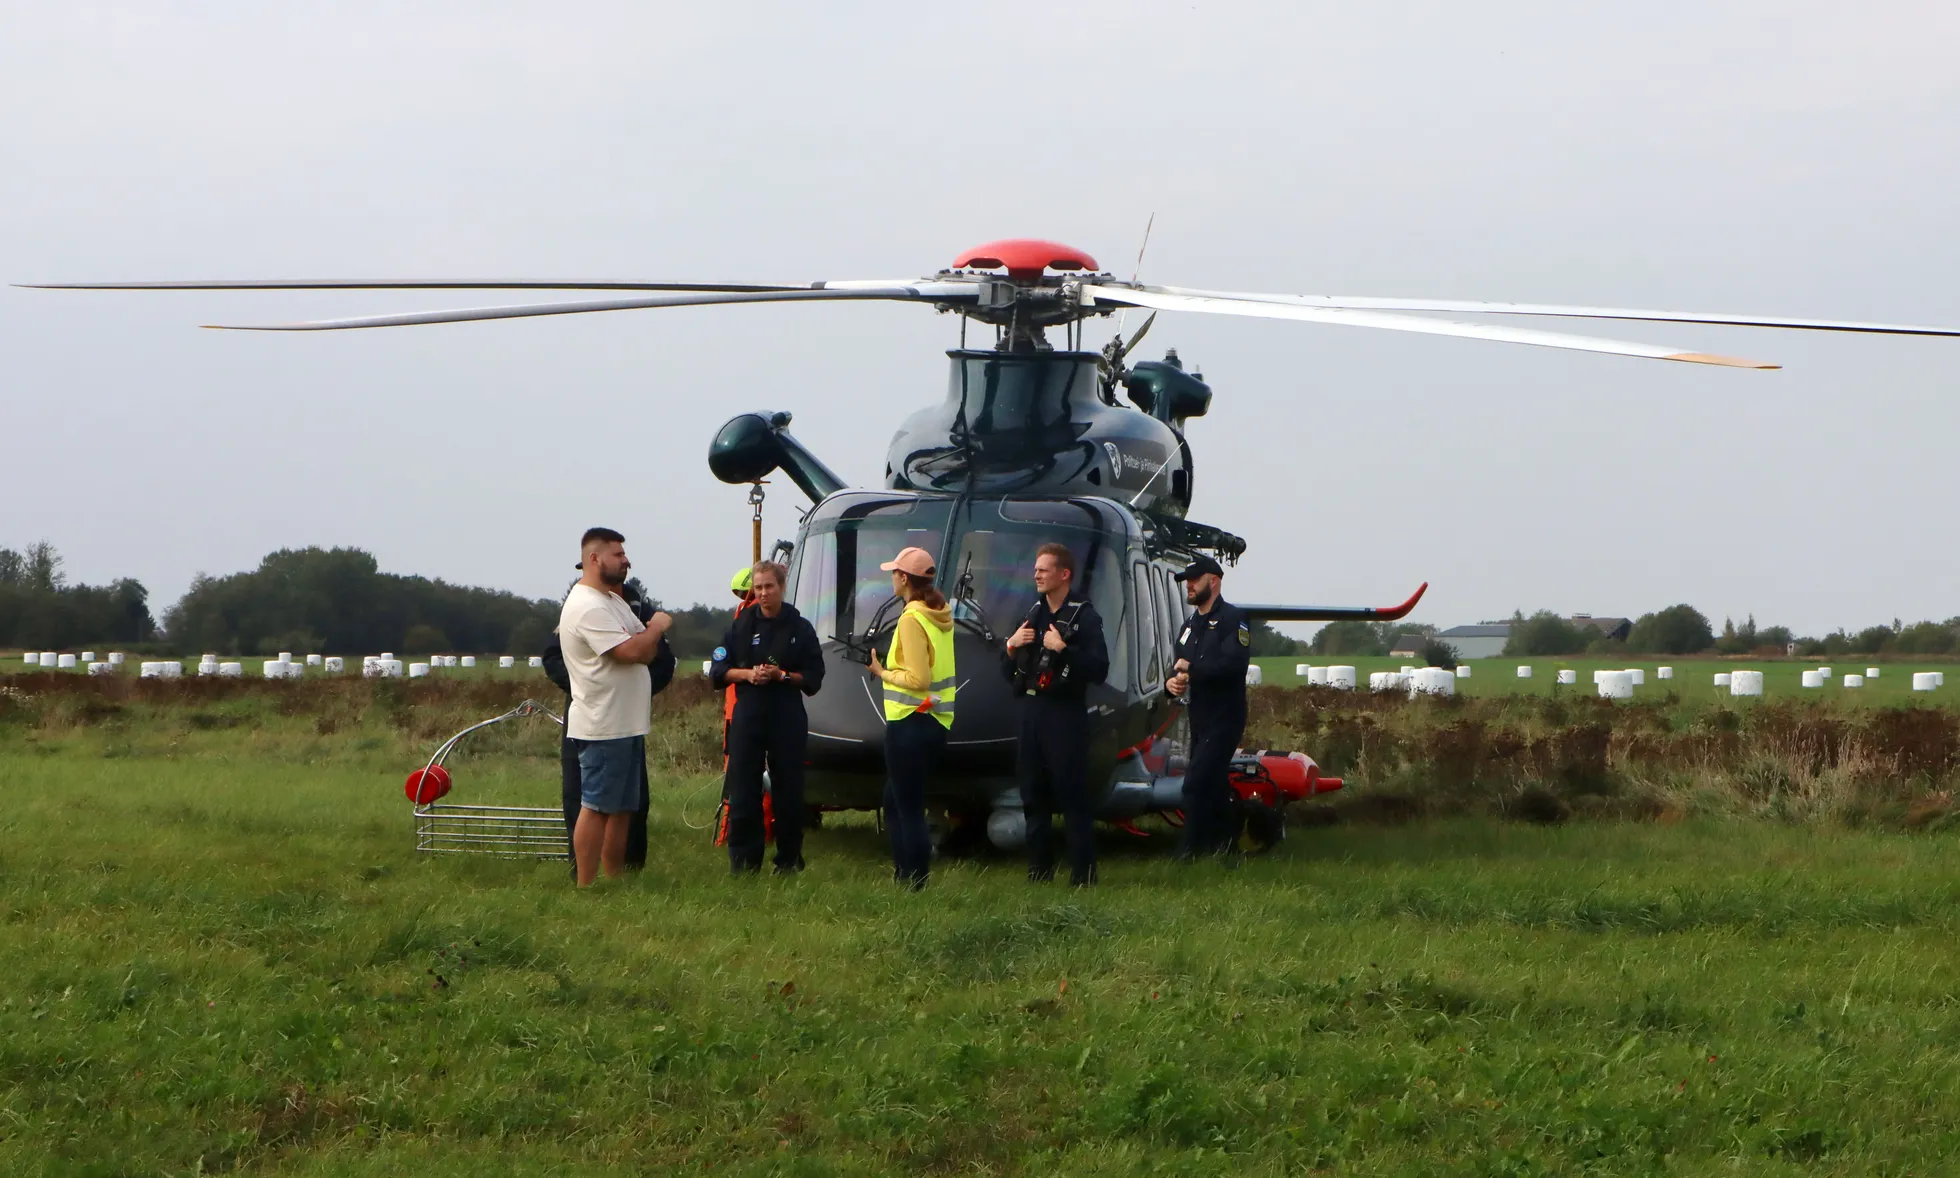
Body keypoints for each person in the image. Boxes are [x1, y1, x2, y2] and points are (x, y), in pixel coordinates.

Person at [558, 527, 672, 887]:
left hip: (626, 722)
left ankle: (614, 878)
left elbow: (644, 648)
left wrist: (646, 637)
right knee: (595, 806)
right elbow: (635, 650)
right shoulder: (587, 605)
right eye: (618, 555)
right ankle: (586, 885)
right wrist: (657, 626)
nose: (626, 561)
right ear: (594, 558)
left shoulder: (612, 600)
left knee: (623, 807)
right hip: (602, 723)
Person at [1002, 542, 1109, 886]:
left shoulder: (1085, 616)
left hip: (1065, 714)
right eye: (1035, 569)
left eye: (1044, 569)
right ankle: (1039, 872)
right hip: (1031, 711)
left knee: (1072, 794)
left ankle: (1083, 875)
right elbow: (1008, 672)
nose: (1036, 574)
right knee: (1032, 794)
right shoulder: (1031, 614)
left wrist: (1063, 650)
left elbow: (1099, 668)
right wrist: (1010, 646)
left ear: (1064, 575)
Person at [710, 560, 825, 875]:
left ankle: (788, 859)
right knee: (744, 789)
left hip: (785, 713)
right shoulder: (740, 625)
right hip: (748, 713)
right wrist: (748, 674)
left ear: (781, 587)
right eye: (757, 588)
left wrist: (782, 676)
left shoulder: (800, 627)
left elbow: (814, 677)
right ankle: (744, 863)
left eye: (769, 587)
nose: (762, 593)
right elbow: (718, 670)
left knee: (788, 790)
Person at [867, 545, 955, 890]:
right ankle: (904, 872)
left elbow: (919, 679)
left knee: (907, 806)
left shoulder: (911, 618)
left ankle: (914, 880)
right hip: (935, 721)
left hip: (909, 723)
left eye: (894, 572)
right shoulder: (940, 613)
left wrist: (881, 670)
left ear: (904, 579)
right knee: (895, 798)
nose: (891, 577)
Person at [1164, 554, 1250, 860]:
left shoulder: (1232, 619)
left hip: (1225, 715)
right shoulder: (1190, 624)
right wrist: (1172, 683)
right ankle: (1225, 847)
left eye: (1194, 580)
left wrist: (1193, 669)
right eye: (1186, 581)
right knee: (1213, 784)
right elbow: (1179, 665)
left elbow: (1233, 665)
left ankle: (1189, 851)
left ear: (1213, 581)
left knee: (1195, 783)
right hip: (1198, 715)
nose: (1188, 586)